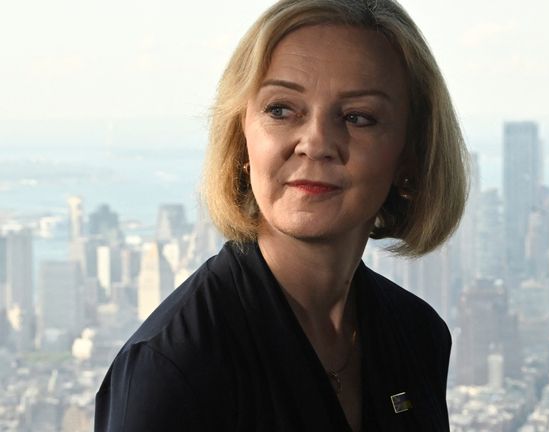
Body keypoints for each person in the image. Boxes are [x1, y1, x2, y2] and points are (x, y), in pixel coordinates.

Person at [94, 0, 468, 430]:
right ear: (241, 141)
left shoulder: (417, 335)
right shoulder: (175, 366)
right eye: (281, 109)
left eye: (357, 117)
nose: (315, 142)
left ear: (411, 155)